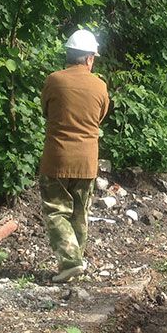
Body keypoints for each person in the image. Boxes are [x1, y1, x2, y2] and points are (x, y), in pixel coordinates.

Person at [39, 29, 110, 283]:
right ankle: (74, 263)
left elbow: (46, 110)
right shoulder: (100, 86)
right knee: (80, 213)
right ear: (90, 58)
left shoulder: (54, 80)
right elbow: (100, 117)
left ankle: (71, 262)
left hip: (56, 158)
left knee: (56, 212)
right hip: (87, 161)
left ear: (68, 55)